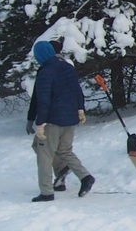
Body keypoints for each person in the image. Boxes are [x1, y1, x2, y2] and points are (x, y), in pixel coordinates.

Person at [28, 40, 94, 203]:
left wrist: (40, 123)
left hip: (53, 120)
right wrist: (80, 110)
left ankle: (46, 192)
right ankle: (82, 176)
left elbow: (42, 100)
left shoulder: (46, 72)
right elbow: (77, 91)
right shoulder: (67, 67)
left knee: (44, 153)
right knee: (63, 150)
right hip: (70, 119)